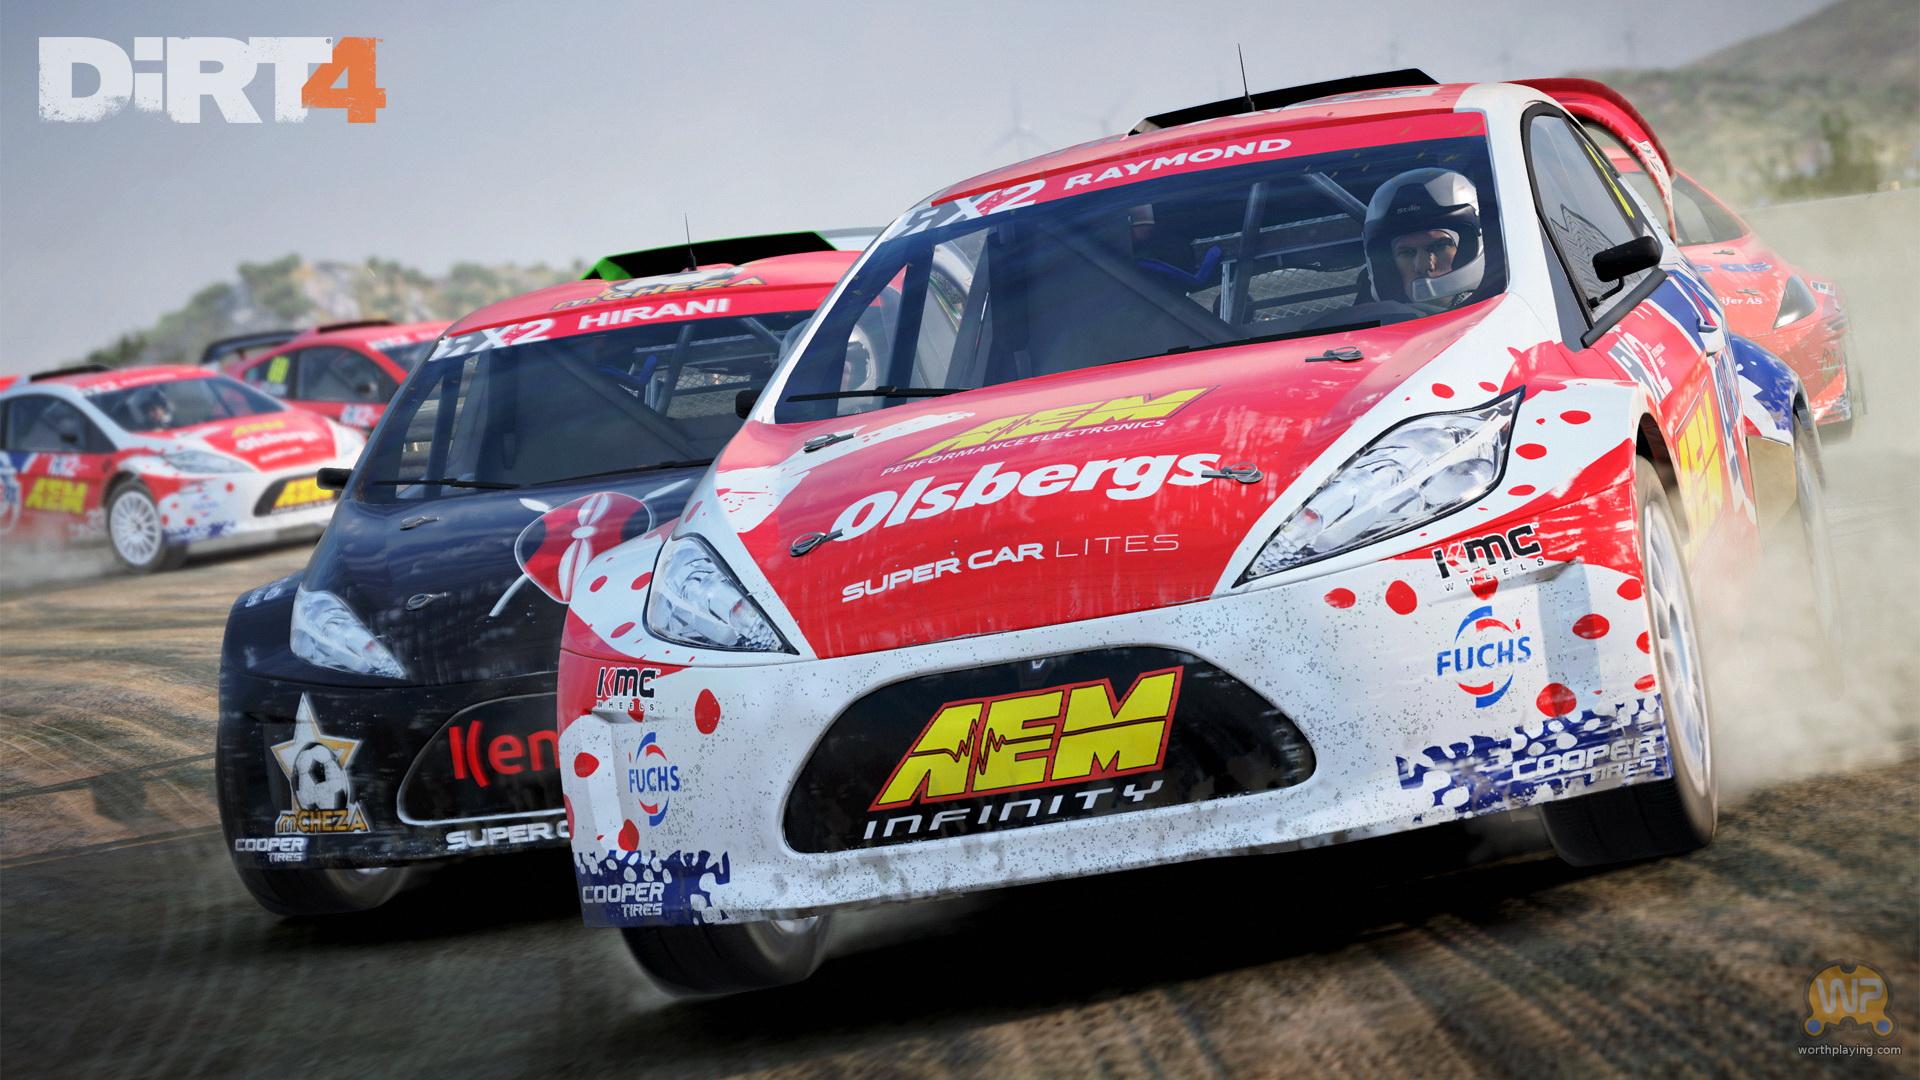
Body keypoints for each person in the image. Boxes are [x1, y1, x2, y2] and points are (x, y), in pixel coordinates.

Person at [1362, 168, 1486, 310]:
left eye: (1439, 246)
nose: (1423, 267)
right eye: (1406, 253)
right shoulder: (1368, 319)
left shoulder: (1505, 312)